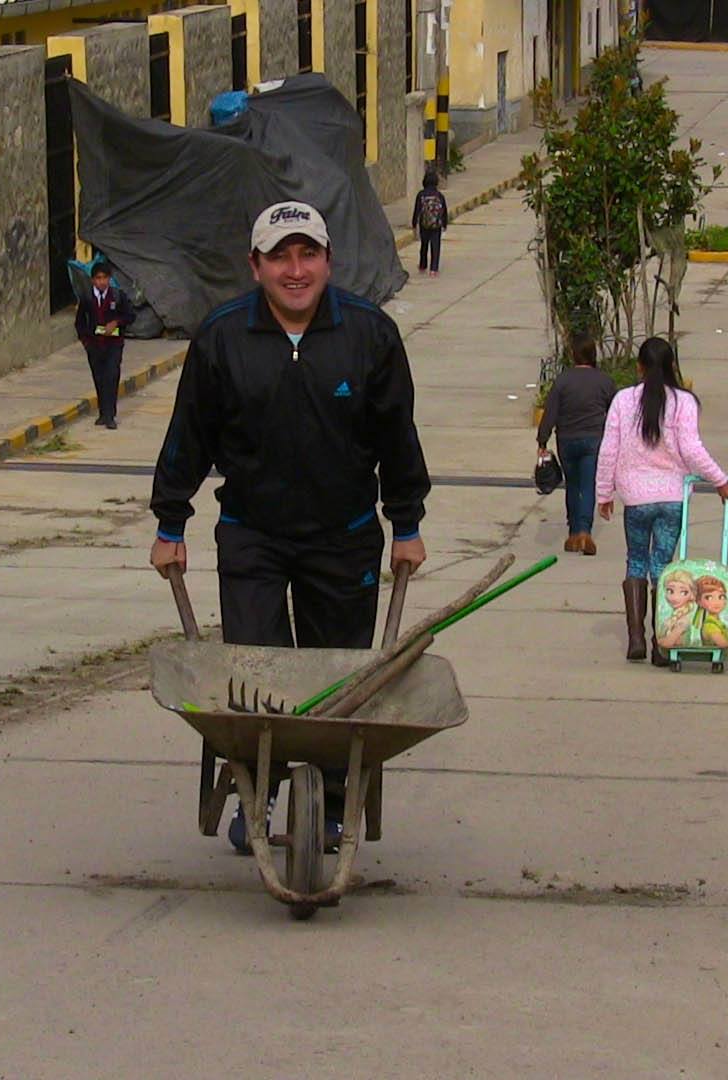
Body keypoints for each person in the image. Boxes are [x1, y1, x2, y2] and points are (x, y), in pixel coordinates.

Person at [149, 200, 431, 852]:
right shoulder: (221, 338)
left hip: (347, 534)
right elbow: (186, 437)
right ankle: (259, 794)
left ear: (329, 261)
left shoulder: (370, 335)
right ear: (256, 266)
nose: (295, 270)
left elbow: (398, 438)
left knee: (339, 679)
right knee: (255, 675)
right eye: (280, 256)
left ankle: (333, 805)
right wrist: (171, 522)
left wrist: (407, 523)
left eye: (308, 254)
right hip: (253, 533)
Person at [595, 337, 728, 665]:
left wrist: (604, 493)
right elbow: (691, 448)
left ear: (639, 367)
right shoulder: (684, 402)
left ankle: (635, 639)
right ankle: (663, 640)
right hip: (673, 498)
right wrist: (720, 481)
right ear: (672, 366)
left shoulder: (623, 400)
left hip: (635, 497)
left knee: (635, 562)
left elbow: (608, 450)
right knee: (662, 566)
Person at [536, 332, 617, 555]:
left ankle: (573, 533)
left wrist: (542, 440)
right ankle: (585, 531)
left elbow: (550, 412)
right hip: (593, 439)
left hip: (567, 439)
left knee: (572, 485)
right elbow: (616, 413)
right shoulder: (604, 381)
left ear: (573, 355)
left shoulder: (563, 381)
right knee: (589, 484)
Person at [75, 262, 136, 429]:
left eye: (104, 278)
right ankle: (103, 413)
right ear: (93, 280)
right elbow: (79, 322)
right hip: (94, 345)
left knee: (111, 376)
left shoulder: (117, 296)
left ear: (109, 279)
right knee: (99, 378)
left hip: (113, 345)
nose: (101, 282)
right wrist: (86, 342)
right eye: (98, 278)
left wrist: (116, 322)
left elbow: (130, 316)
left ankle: (110, 415)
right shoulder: (87, 298)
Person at [412, 171, 450, 276]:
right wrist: (445, 224)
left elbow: (417, 210)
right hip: (436, 225)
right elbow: (444, 211)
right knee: (435, 246)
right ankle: (434, 269)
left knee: (424, 245)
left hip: (424, 224)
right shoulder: (439, 195)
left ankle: (423, 265)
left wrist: (414, 224)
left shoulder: (421, 195)